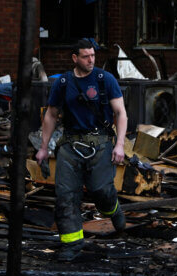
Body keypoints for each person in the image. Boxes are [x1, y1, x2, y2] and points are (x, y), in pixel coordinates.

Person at [36, 38, 128, 261]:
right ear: (75, 58)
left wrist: (120, 145)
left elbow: (121, 113)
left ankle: (113, 209)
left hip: (100, 144)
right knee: (66, 197)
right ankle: (72, 244)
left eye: (93, 56)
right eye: (86, 56)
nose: (91, 60)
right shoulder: (64, 83)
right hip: (70, 145)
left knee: (100, 190)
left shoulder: (105, 80)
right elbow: (51, 114)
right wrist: (43, 147)